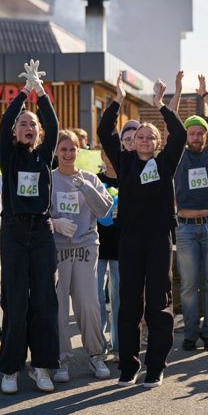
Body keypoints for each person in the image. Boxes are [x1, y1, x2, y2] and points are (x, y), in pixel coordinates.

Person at [98, 74, 186, 388]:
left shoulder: (165, 163)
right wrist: (118, 98)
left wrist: (160, 104)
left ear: (157, 143)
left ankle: (155, 366)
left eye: (150, 137)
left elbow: (180, 133)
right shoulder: (123, 162)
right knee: (129, 302)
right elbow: (102, 131)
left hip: (160, 239)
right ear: (132, 142)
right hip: (130, 239)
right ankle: (128, 365)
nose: (145, 141)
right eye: (140, 137)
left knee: (158, 303)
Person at [0, 60, 60, 394]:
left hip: (42, 230)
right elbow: (6, 119)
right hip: (15, 230)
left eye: (32, 124)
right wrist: (23, 94)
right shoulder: (7, 155)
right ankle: (10, 369)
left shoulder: (45, 154)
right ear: (14, 132)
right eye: (23, 124)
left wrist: (41, 94)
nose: (28, 127)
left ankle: (43, 366)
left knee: (45, 301)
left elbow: (53, 123)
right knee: (17, 302)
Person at [50, 130, 113, 382]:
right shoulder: (49, 179)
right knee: (59, 308)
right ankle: (61, 359)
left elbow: (105, 210)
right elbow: (39, 212)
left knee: (88, 304)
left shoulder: (90, 178)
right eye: (63, 149)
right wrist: (54, 223)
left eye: (72, 149)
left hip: (86, 247)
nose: (67, 154)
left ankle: (96, 355)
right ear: (56, 152)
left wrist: (87, 187)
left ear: (79, 151)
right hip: (57, 249)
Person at [172, 73, 208, 352]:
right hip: (184, 228)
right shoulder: (178, 154)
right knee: (189, 286)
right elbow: (170, 121)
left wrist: (205, 95)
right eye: (191, 133)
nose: (195, 136)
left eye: (199, 132)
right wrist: (179, 91)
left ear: (205, 135)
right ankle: (190, 335)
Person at [96, 148, 120, 358]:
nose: (111, 158)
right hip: (97, 246)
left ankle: (119, 345)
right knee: (97, 299)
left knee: (120, 299)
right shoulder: (94, 180)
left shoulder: (128, 178)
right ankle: (99, 346)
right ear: (102, 156)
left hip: (123, 247)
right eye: (107, 154)